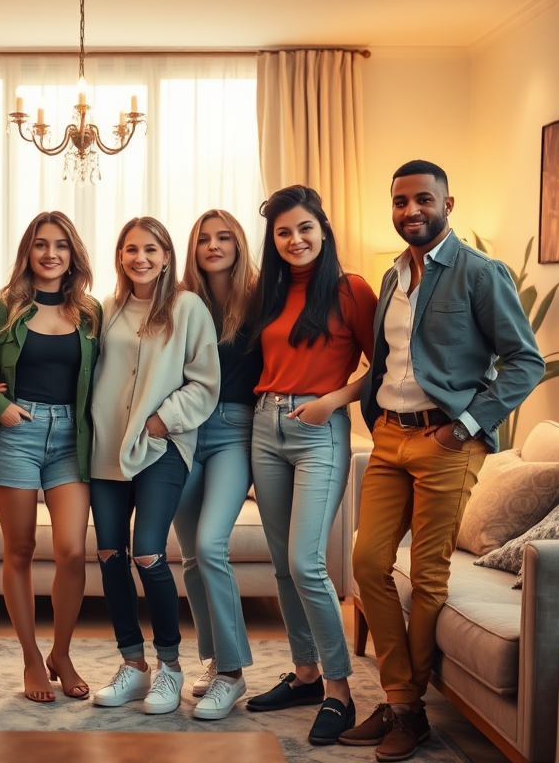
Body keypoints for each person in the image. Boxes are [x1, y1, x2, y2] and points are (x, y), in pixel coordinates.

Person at [342, 161, 544, 760]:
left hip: (445, 444)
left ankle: (406, 711)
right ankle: (403, 698)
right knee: (368, 562)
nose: (411, 211)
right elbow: (386, 358)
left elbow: (525, 361)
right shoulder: (392, 276)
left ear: (448, 204)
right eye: (401, 201)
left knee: (428, 578)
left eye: (423, 200)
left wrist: (464, 430)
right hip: (389, 440)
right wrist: (375, 419)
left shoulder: (481, 274)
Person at [243, 185, 377, 745]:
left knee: (306, 562)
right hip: (264, 425)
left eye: (304, 229)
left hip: (319, 430)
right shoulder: (267, 292)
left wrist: (333, 401)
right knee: (281, 562)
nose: (295, 240)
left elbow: (386, 368)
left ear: (323, 229)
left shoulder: (352, 290)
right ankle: (305, 673)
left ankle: (339, 691)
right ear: (273, 241)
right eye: (283, 232)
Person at [0, 210, 100, 703]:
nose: (50, 254)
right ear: (28, 251)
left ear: (73, 254)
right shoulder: (0, 310)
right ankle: (31, 659)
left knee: (71, 550)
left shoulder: (91, 313)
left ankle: (61, 652)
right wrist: (0, 406)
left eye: (61, 245)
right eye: (41, 244)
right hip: (17, 432)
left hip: (71, 438)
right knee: (18, 550)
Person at [90, 217, 219, 716]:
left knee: (147, 553)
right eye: (130, 250)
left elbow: (205, 380)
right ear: (120, 257)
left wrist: (164, 420)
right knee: (108, 553)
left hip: (161, 448)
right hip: (105, 450)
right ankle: (133, 666)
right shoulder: (108, 309)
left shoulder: (188, 308)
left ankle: (170, 666)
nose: (139, 258)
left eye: (150, 249)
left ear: (166, 255)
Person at [171, 209, 262, 719]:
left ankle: (233, 673)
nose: (213, 245)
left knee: (210, 545)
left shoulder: (260, 297)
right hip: (185, 431)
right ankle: (212, 661)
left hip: (233, 430)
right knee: (188, 555)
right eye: (203, 238)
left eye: (224, 236)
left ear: (239, 243)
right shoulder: (183, 301)